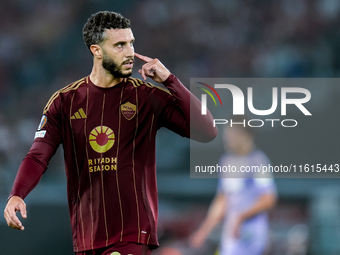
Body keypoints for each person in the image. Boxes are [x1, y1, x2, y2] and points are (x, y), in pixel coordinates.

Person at [4, 11, 217, 255]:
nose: (129, 53)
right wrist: (17, 194)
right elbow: (37, 156)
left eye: (131, 43)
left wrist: (170, 80)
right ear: (97, 50)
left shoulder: (146, 97)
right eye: (120, 45)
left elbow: (207, 131)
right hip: (87, 236)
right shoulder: (64, 102)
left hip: (133, 233)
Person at [190, 122, 276, 255]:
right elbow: (222, 200)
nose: (228, 139)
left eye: (233, 135)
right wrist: (203, 231)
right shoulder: (226, 162)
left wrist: (241, 217)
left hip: (252, 238)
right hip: (231, 237)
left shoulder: (259, 161)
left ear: (246, 136)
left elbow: (268, 198)